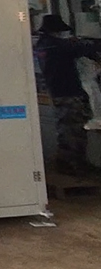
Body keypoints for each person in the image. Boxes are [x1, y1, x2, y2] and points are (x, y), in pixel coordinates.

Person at [36, 14, 100, 174]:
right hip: (69, 92)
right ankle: (75, 164)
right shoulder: (59, 46)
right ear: (56, 31)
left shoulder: (42, 45)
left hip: (57, 92)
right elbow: (85, 48)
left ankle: (66, 162)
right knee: (74, 129)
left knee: (65, 129)